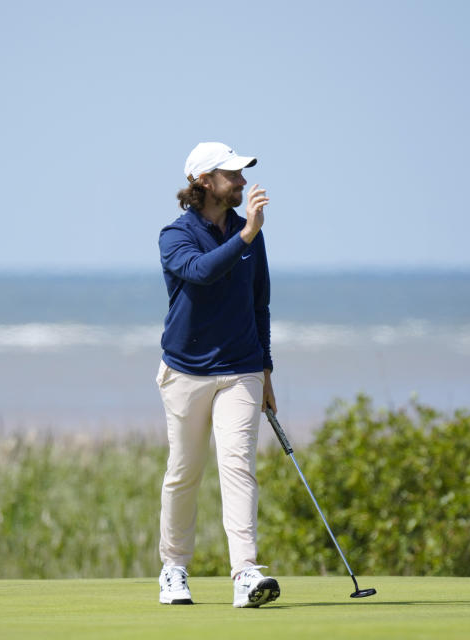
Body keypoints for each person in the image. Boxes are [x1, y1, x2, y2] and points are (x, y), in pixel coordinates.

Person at [155, 142, 279, 608]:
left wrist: (266, 369)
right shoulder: (175, 234)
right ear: (204, 181)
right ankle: (174, 569)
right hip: (185, 371)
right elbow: (201, 271)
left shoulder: (251, 235)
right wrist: (246, 234)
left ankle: (245, 573)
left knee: (238, 466)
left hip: (242, 369)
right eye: (233, 175)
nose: (243, 182)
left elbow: (259, 304)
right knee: (184, 472)